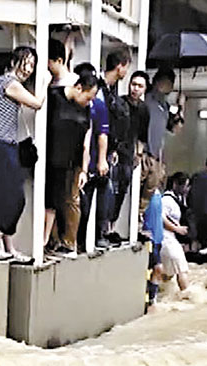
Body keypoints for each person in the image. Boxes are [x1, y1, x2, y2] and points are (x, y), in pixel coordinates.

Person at [0, 46, 49, 260]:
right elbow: (37, 103)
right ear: (14, 61)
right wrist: (45, 82)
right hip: (1, 144)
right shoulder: (9, 83)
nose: (28, 69)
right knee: (15, 199)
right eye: (26, 63)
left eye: (32, 65)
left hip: (1, 144)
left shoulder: (4, 82)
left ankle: (8, 248)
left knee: (3, 197)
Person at [44, 69, 99, 259]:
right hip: (51, 159)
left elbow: (85, 141)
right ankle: (50, 242)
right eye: (88, 96)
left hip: (73, 161)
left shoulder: (84, 110)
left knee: (71, 200)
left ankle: (69, 243)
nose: (89, 102)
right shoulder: (55, 98)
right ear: (78, 87)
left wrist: (84, 168)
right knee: (50, 203)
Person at [94, 47, 132, 245]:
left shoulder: (110, 90)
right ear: (120, 67)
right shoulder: (101, 90)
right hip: (97, 147)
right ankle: (98, 232)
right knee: (104, 189)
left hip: (109, 147)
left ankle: (104, 229)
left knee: (110, 189)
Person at [75, 62, 111, 252]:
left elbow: (102, 134)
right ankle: (77, 240)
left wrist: (102, 159)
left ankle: (98, 235)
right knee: (80, 205)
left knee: (95, 199)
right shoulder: (73, 101)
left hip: (92, 160)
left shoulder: (98, 105)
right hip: (73, 159)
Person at [109, 70, 149, 238]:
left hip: (129, 154)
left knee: (122, 190)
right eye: (134, 84)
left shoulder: (144, 110)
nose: (135, 89)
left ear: (145, 89)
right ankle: (105, 227)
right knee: (111, 188)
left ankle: (112, 226)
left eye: (140, 86)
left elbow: (142, 135)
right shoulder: (120, 103)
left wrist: (139, 154)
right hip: (116, 151)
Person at [140, 67, 184, 218]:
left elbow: (175, 129)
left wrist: (180, 108)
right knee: (139, 188)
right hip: (144, 152)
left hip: (156, 155)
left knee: (150, 190)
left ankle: (140, 220)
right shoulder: (146, 99)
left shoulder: (164, 106)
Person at [161, 173, 190, 291]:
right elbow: (161, 217)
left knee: (169, 273)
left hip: (171, 239)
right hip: (166, 239)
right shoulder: (167, 200)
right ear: (175, 184)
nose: (187, 189)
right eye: (185, 186)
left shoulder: (178, 200)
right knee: (182, 270)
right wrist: (177, 229)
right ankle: (187, 295)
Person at [143, 187, 164, 312]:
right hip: (149, 237)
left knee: (155, 270)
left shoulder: (158, 194)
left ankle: (152, 298)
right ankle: (150, 300)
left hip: (158, 237)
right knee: (157, 268)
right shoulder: (145, 193)